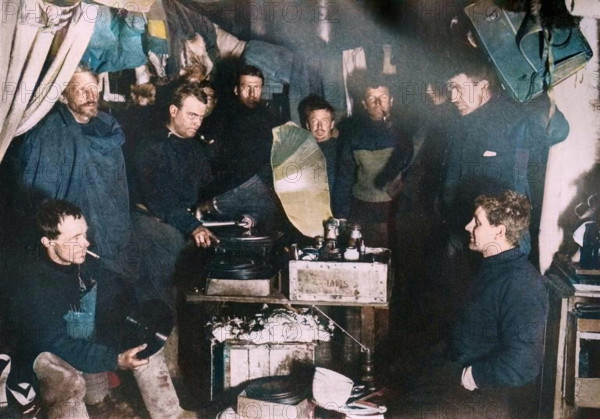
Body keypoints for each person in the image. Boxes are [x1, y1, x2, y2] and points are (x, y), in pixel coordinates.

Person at [6, 200, 195, 419]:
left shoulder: (84, 260)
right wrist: (114, 359)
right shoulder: (33, 285)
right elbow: (59, 345)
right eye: (75, 238)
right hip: (45, 353)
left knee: (145, 343)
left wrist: (138, 324)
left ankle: (171, 415)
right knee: (69, 382)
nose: (85, 243)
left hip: (82, 341)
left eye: (84, 234)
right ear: (48, 242)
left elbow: (117, 297)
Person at [390, 190, 548, 416]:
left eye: (477, 222)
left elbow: (524, 363)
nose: (467, 227)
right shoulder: (492, 267)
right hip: (459, 376)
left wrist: (471, 377)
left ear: (499, 231)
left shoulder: (521, 283)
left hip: (488, 393)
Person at [440, 55, 570, 260]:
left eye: (458, 88)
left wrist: (533, 92)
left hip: (502, 239)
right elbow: (452, 179)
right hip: (462, 232)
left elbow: (558, 131)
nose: (453, 97)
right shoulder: (461, 121)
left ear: (482, 85)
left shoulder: (512, 116)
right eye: (450, 88)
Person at [7, 65, 131, 275]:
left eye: (94, 88)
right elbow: (37, 197)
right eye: (81, 90)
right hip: (66, 242)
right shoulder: (48, 133)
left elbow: (118, 191)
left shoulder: (108, 129)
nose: (91, 95)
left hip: (109, 234)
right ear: (63, 97)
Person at [131, 82, 217, 306]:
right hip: (152, 225)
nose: (197, 123)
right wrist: (192, 226)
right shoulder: (151, 146)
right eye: (191, 115)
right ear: (173, 111)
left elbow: (207, 188)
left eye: (201, 116)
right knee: (162, 293)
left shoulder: (195, 147)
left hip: (180, 221)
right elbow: (160, 199)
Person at [333, 76, 413, 248]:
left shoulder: (406, 133)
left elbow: (413, 174)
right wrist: (341, 216)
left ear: (391, 100)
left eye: (383, 97)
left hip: (396, 212)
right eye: (371, 98)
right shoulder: (353, 136)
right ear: (363, 103)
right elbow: (344, 178)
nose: (378, 103)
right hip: (363, 211)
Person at [299, 95, 338, 192]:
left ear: (332, 124)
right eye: (314, 121)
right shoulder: (300, 151)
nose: (319, 126)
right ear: (308, 125)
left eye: (324, 121)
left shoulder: (341, 149)